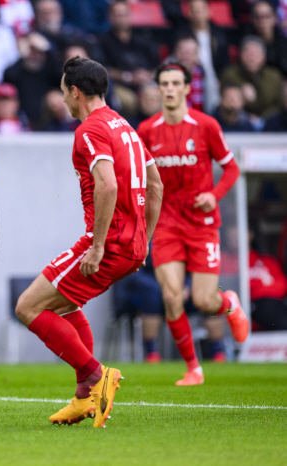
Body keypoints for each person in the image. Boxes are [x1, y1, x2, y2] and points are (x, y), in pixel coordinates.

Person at [15, 56, 163, 428]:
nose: (63, 99)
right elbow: (156, 185)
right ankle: (84, 399)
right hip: (131, 245)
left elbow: (108, 184)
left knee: (28, 307)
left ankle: (97, 376)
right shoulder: (125, 126)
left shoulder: (90, 130)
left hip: (108, 242)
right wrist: (145, 239)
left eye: (64, 92)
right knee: (65, 304)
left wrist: (97, 246)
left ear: (75, 92)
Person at [137, 62, 249, 386]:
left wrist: (214, 195)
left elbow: (231, 169)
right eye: (164, 83)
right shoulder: (146, 131)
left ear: (187, 88)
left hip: (202, 224)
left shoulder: (206, 125)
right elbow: (142, 178)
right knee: (172, 296)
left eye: (176, 83)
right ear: (158, 89)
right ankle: (193, 369)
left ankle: (228, 303)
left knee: (203, 300)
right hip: (168, 224)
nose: (170, 89)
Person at [220, 36, 283, 121]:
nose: (251, 58)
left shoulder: (274, 76)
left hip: (270, 123)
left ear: (263, 58)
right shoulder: (229, 75)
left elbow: (279, 105)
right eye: (248, 53)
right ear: (240, 55)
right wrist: (241, 96)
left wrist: (261, 119)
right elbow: (224, 104)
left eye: (255, 54)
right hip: (239, 123)